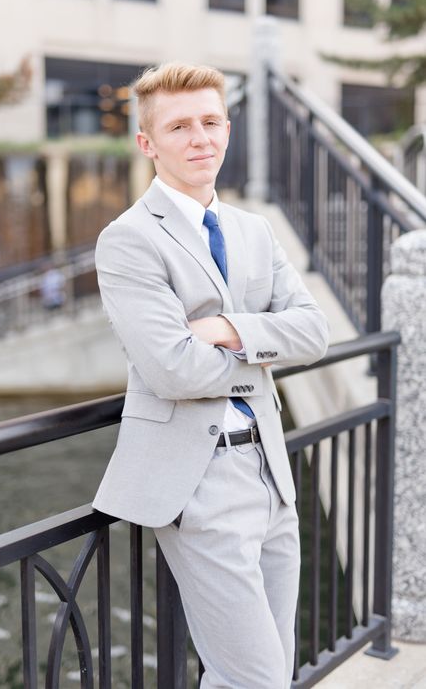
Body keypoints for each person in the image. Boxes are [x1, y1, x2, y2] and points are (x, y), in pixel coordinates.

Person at [92, 63, 329, 688]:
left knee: (269, 669)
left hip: (272, 472)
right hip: (200, 480)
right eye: (179, 126)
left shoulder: (254, 228)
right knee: (251, 676)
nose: (200, 138)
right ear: (148, 143)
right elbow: (172, 369)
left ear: (227, 127)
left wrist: (227, 327)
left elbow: (314, 330)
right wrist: (262, 347)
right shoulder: (128, 240)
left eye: (211, 121)